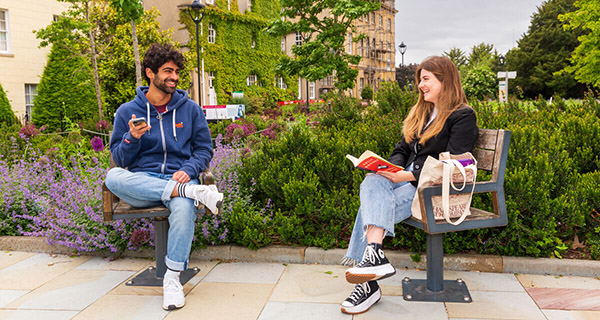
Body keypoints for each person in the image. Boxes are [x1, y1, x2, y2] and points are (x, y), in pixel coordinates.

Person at [340, 56, 479, 314]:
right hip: (407, 182)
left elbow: (453, 159)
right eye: (420, 79)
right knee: (373, 179)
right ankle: (374, 255)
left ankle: (369, 281)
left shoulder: (462, 116)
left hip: (431, 190)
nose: (420, 85)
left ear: (444, 80)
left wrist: (410, 174)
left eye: (426, 79)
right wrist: (389, 168)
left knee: (370, 208)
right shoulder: (423, 111)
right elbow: (402, 148)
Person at [104, 43, 223, 311]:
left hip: (180, 177)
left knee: (181, 207)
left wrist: (190, 171)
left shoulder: (190, 109)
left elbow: (204, 149)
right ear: (150, 73)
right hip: (144, 182)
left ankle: (172, 278)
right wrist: (131, 139)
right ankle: (191, 193)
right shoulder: (127, 112)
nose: (175, 76)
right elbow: (121, 160)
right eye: (168, 71)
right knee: (113, 177)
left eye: (177, 71)